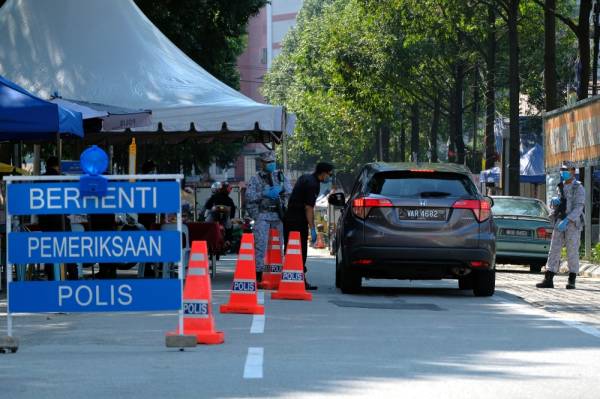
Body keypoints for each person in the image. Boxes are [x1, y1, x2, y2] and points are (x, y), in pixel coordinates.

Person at [284, 162, 334, 290]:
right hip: (298, 220)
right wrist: (312, 228)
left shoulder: (305, 177)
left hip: (289, 218)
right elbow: (308, 208)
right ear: (323, 173)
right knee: (301, 251)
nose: (330, 177)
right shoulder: (313, 185)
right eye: (329, 174)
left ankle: (290, 278)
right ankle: (300, 280)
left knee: (290, 250)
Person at [537, 161, 585, 289]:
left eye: (566, 170)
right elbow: (558, 205)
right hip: (560, 220)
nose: (563, 172)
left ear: (573, 171)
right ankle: (549, 278)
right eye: (562, 170)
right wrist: (554, 202)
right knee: (554, 249)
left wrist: (567, 220)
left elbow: (579, 207)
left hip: (572, 223)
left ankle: (572, 279)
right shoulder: (560, 186)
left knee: (572, 251)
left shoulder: (578, 187)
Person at [245, 151, 291, 281]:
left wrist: (280, 190)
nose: (271, 164)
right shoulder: (256, 178)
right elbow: (249, 197)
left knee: (279, 244)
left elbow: (289, 191)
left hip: (278, 214)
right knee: (261, 245)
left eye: (273, 162)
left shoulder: (280, 176)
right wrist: (263, 194)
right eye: (268, 162)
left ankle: (277, 273)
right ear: (262, 163)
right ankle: (259, 273)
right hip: (263, 214)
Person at [38, 156, 78, 280]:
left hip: (46, 222)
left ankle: (51, 276)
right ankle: (72, 275)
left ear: (47, 165)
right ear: (57, 166)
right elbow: (70, 202)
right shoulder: (62, 179)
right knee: (68, 250)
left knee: (50, 250)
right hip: (61, 222)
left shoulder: (39, 180)